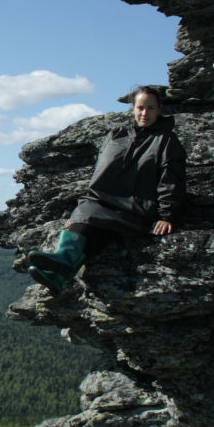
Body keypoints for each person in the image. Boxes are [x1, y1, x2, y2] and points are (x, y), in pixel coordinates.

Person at [27, 85, 186, 296]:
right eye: (140, 107)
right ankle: (59, 273)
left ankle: (63, 265)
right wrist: (79, 213)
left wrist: (167, 215)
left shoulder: (166, 141)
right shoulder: (116, 135)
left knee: (94, 224)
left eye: (150, 108)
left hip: (136, 208)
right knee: (89, 224)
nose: (144, 113)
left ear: (159, 110)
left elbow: (171, 180)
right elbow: (98, 175)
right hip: (102, 203)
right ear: (133, 108)